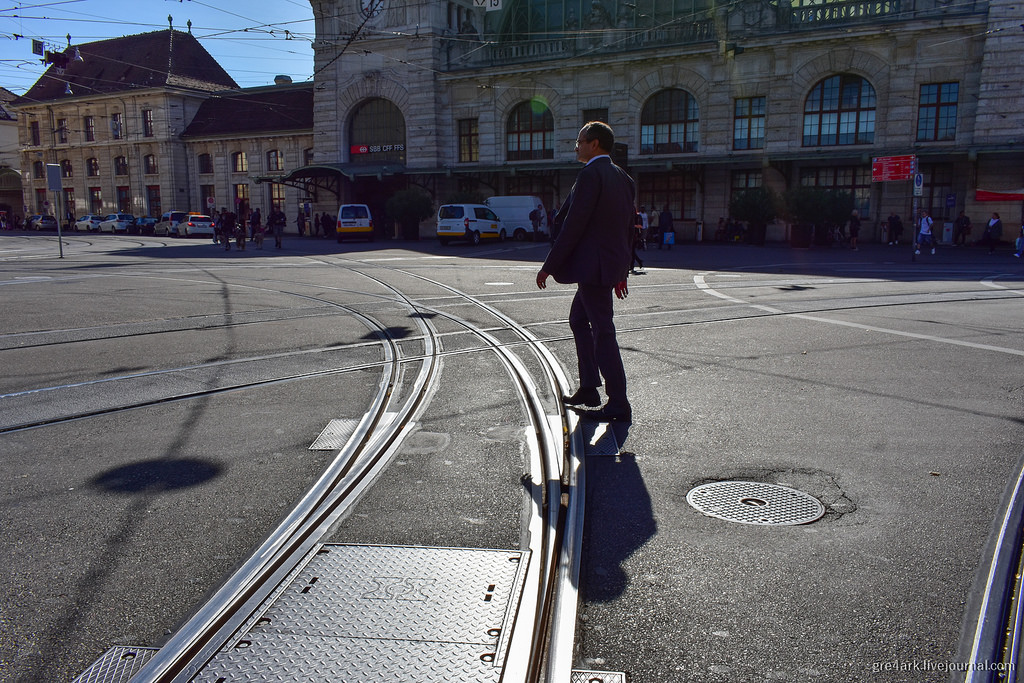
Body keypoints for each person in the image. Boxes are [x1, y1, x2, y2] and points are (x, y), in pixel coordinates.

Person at [536, 121, 634, 422]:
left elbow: (573, 225)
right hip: (605, 266)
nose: (575, 146)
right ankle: (589, 387)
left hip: (593, 268)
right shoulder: (623, 178)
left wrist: (549, 266)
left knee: (603, 331)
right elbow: (626, 229)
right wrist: (622, 271)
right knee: (579, 320)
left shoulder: (591, 174)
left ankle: (618, 401)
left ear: (594, 143)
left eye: (579, 141)